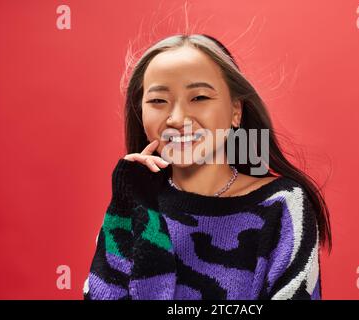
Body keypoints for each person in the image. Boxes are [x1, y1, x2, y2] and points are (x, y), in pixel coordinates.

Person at [83, 33, 332, 300]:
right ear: (141, 113)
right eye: (157, 101)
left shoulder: (282, 204)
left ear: (235, 110)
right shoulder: (132, 206)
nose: (177, 118)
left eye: (199, 98)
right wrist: (135, 208)